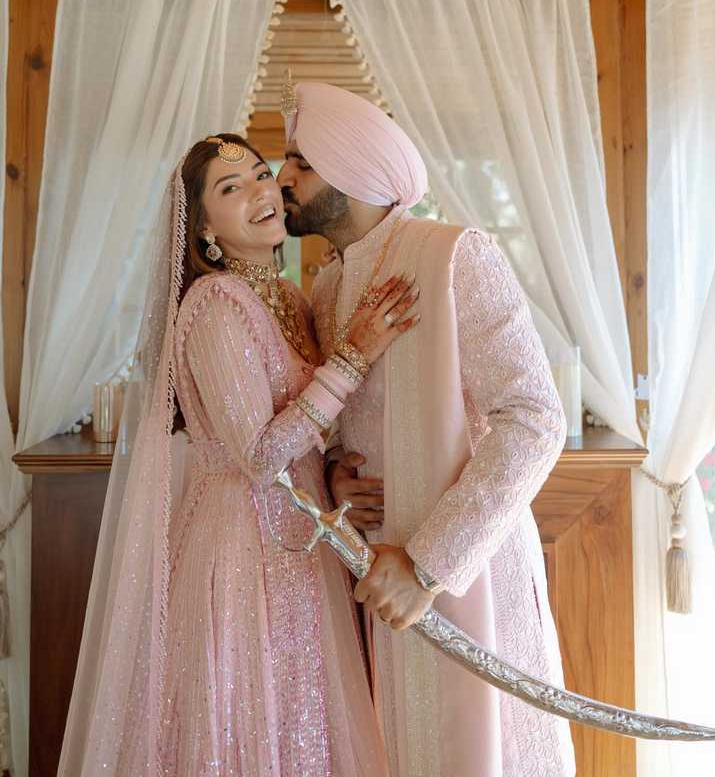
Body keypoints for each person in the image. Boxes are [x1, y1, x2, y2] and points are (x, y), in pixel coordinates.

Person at [59, 133, 420, 776]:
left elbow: (309, 431)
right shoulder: (214, 304)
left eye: (260, 173)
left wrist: (333, 471)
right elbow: (259, 454)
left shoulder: (290, 299)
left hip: (302, 549)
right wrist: (355, 354)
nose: (260, 190)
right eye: (232, 188)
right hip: (240, 553)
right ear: (203, 230)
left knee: (304, 731)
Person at [277, 83, 577, 777]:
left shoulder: (455, 256)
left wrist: (428, 565)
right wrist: (335, 474)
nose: (283, 177)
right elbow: (340, 422)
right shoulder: (325, 287)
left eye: (301, 162)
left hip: (463, 573)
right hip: (371, 579)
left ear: (351, 170)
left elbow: (535, 418)